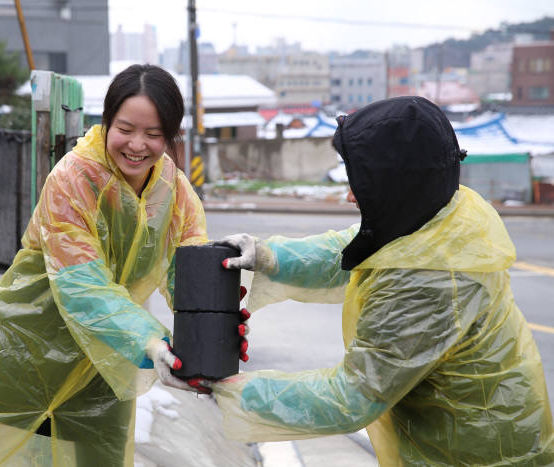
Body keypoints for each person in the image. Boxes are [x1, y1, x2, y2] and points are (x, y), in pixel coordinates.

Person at [0, 64, 247, 466]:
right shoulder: (73, 178)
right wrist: (150, 341)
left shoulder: (175, 191)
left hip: (106, 358)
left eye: (154, 134)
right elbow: (82, 287)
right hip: (22, 343)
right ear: (107, 121)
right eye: (125, 129)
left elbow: (188, 272)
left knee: (102, 457)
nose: (136, 145)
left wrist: (213, 329)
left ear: (170, 135)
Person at [212, 96, 553, 465]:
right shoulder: (437, 219)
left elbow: (352, 398)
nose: (349, 196)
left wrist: (234, 391)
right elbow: (349, 251)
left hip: (474, 455)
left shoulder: (430, 280)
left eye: (363, 182)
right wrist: (267, 256)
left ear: (399, 184)